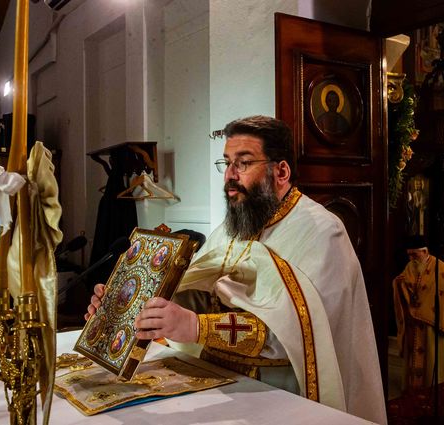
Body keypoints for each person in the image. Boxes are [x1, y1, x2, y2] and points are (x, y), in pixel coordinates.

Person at [86, 115, 386, 423]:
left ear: (281, 171)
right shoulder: (236, 225)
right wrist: (130, 307)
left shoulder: (321, 232)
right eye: (227, 163)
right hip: (215, 379)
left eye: (243, 163)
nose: (230, 175)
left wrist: (196, 327)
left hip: (280, 393)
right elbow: (201, 295)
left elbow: (296, 336)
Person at [393, 235, 444, 391]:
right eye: (409, 255)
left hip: (435, 327)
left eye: (414, 254)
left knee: (433, 364)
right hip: (414, 327)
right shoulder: (410, 266)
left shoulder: (442, 269)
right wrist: (399, 284)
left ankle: (433, 391)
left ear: (425, 251)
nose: (411, 259)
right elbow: (406, 285)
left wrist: (424, 310)